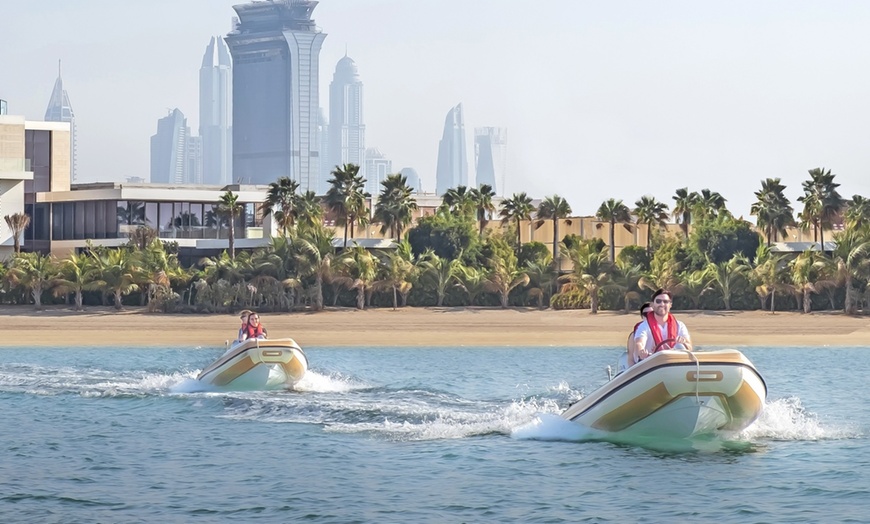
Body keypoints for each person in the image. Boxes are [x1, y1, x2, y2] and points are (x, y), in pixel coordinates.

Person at [631, 289, 692, 365]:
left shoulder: (680, 326)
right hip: (650, 364)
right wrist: (641, 352)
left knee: (680, 346)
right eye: (658, 301)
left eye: (665, 301)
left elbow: (689, 347)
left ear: (670, 305)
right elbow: (639, 343)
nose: (662, 304)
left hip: (673, 363)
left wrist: (684, 343)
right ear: (653, 305)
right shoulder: (643, 326)